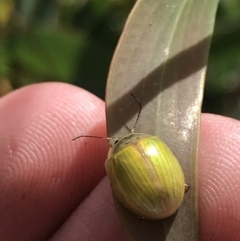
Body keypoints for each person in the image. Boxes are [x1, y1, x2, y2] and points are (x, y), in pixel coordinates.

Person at [0, 82, 240, 241]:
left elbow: (119, 189)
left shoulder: (113, 163)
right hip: (173, 193)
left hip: (151, 207)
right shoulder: (154, 142)